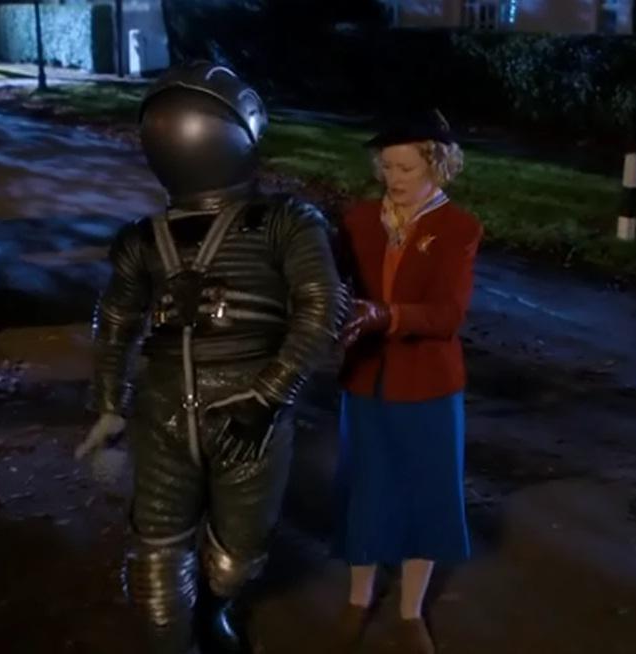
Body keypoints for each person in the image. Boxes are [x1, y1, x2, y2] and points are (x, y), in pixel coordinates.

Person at [76, 61, 346, 654]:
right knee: (168, 551)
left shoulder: (282, 222)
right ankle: (196, 623)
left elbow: (321, 306)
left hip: (225, 406)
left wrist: (267, 394)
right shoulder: (153, 237)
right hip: (196, 408)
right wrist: (110, 405)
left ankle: (213, 607)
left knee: (226, 552)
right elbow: (116, 319)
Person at [333, 108, 483, 654]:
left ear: (436, 166)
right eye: (388, 167)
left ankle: (410, 611)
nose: (393, 179)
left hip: (428, 385)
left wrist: (388, 315)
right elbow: (333, 285)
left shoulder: (458, 228)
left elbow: (447, 314)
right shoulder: (357, 220)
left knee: (425, 493)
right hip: (366, 378)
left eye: (406, 169)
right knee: (366, 489)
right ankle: (358, 601)